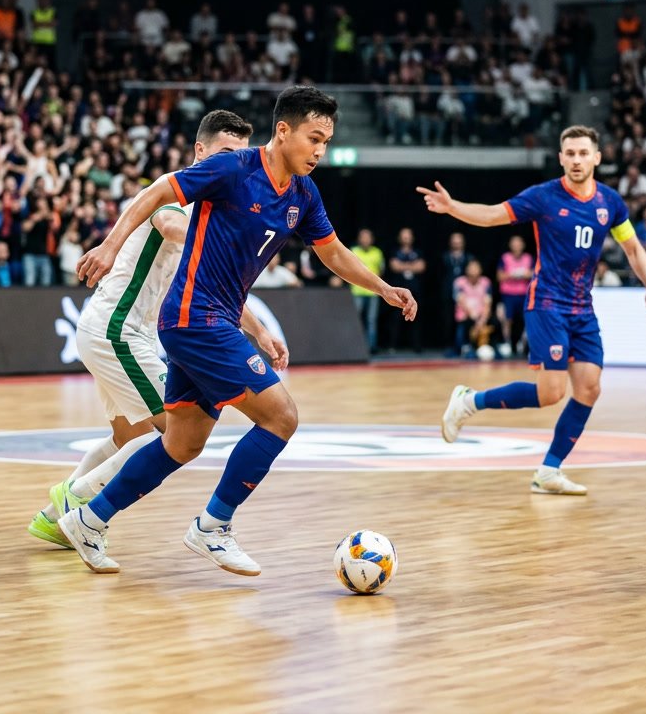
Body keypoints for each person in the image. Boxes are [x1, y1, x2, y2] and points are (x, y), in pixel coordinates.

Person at [60, 87, 417, 575]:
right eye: (314, 138)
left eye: (327, 143)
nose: (320, 152)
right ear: (284, 130)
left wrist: (382, 288)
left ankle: (88, 519)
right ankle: (212, 527)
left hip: (212, 321)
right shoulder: (234, 168)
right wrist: (109, 245)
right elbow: (159, 191)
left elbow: (332, 252)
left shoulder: (303, 194)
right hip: (194, 317)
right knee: (281, 417)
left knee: (181, 444)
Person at [26, 111, 285, 547]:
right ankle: (76, 499)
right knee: (173, 428)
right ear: (199, 152)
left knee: (127, 436)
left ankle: (53, 519)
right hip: (117, 330)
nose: (234, 165)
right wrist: (220, 236)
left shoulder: (215, 206)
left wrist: (258, 331)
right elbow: (170, 224)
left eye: (241, 157)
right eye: (225, 153)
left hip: (118, 331)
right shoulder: (179, 194)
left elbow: (215, 283)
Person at [419, 125, 646, 495]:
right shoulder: (543, 197)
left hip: (583, 308)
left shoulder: (610, 202)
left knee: (589, 388)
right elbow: (490, 216)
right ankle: (469, 402)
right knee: (551, 391)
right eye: (570, 153)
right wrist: (453, 207)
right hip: (547, 302)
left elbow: (632, 248)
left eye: (584, 153)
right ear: (561, 158)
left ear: (597, 157)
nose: (577, 160)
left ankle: (549, 471)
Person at [496, 235, 533, 356]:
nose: (516, 246)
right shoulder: (505, 258)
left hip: (525, 294)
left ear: (523, 245)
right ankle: (507, 343)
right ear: (510, 245)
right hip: (508, 294)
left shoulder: (528, 258)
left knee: (528, 320)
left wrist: (524, 274)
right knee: (507, 319)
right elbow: (500, 276)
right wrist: (513, 274)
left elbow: (534, 274)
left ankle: (524, 344)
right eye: (514, 243)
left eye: (519, 243)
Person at [350, 228, 384, 353]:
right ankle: (355, 348)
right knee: (356, 320)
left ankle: (371, 348)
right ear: (359, 239)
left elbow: (381, 270)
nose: (365, 240)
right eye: (363, 237)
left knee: (371, 320)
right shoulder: (353, 251)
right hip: (357, 292)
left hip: (373, 293)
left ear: (372, 239)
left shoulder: (377, 252)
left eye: (367, 237)